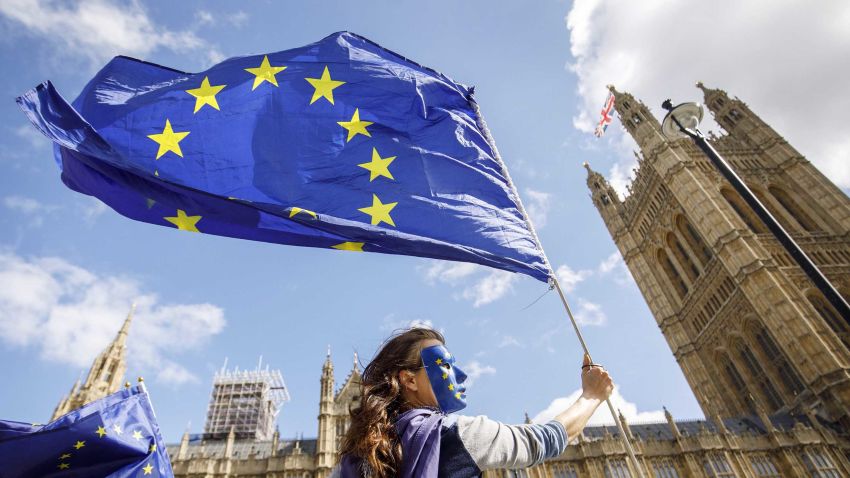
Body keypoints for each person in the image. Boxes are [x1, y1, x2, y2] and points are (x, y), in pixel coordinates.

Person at [336, 327, 614, 477]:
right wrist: (592, 395)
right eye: (445, 365)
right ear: (409, 380)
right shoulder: (459, 436)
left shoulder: (351, 462)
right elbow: (544, 440)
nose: (461, 374)